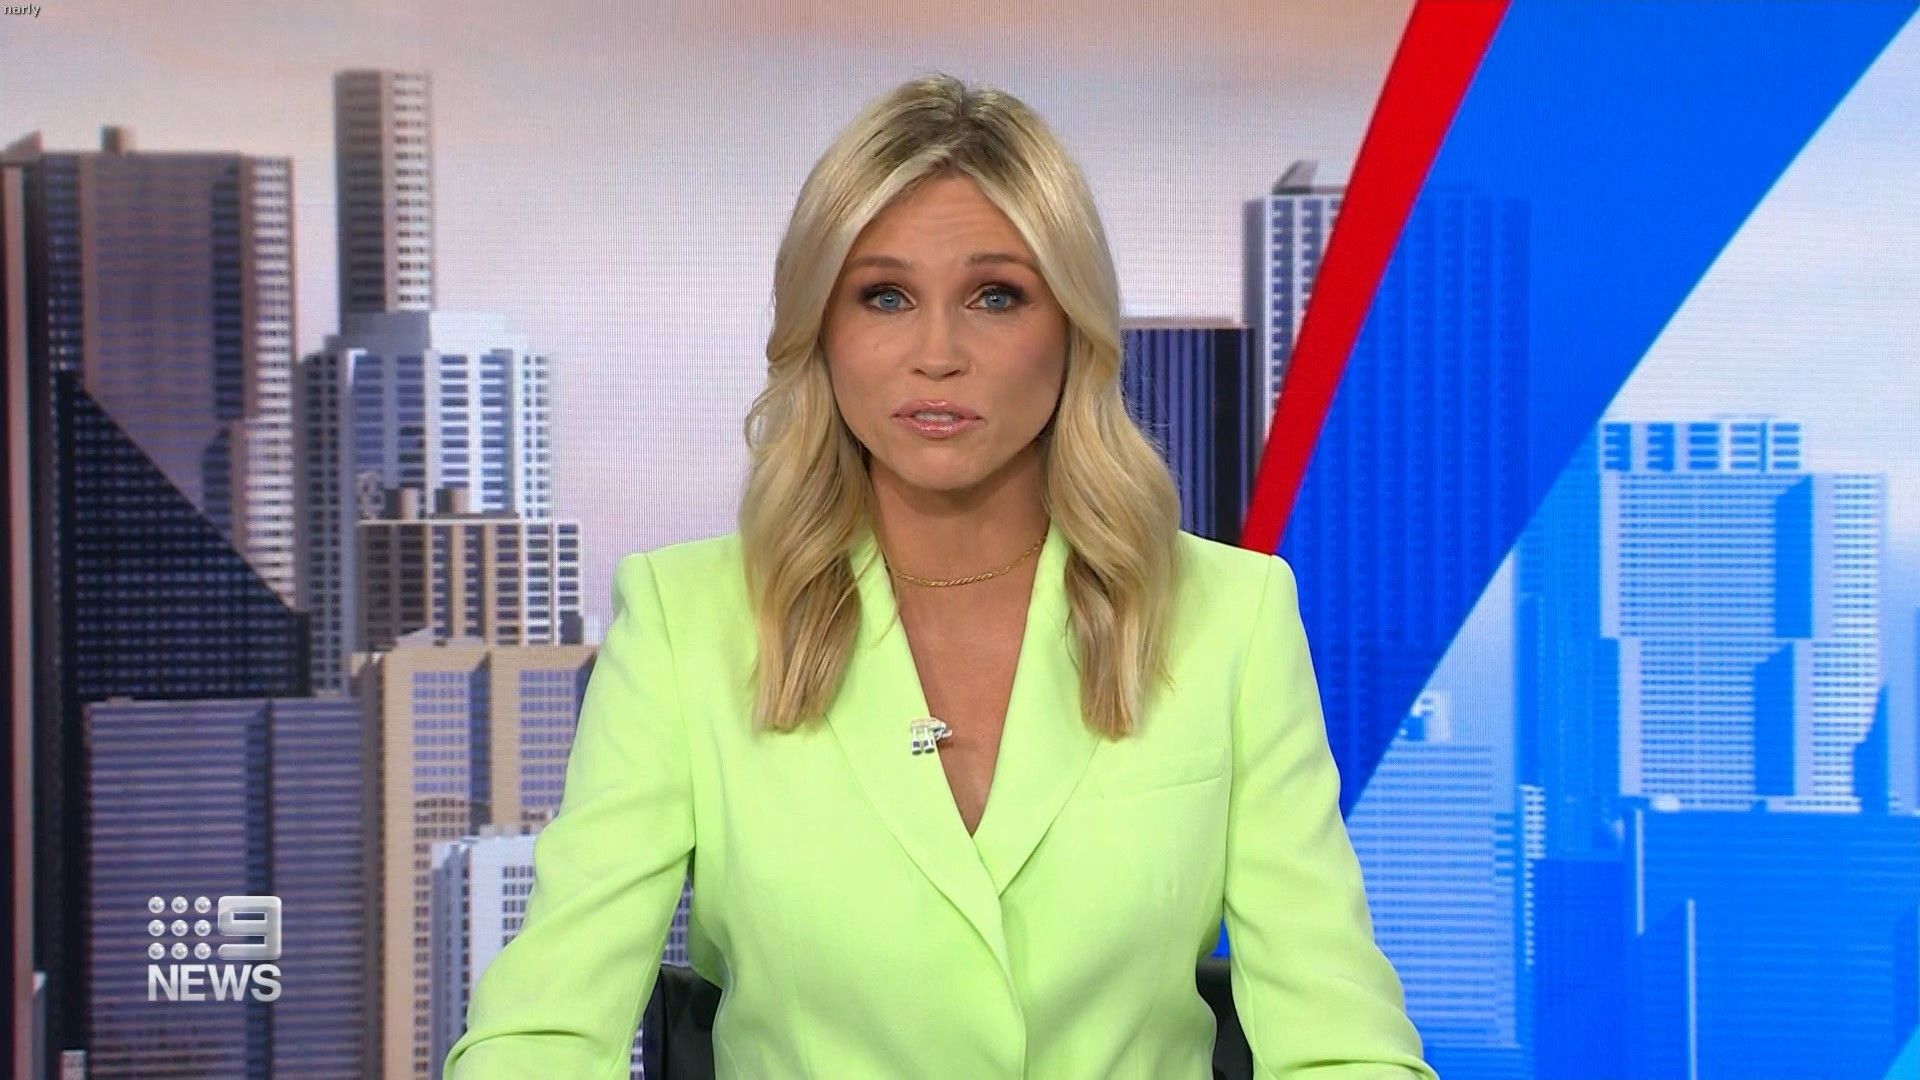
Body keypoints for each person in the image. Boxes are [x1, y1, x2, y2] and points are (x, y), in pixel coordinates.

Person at [443, 72, 1437, 1079]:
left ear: (1073, 327)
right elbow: (540, 1036)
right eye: (885, 297)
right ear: (822, 331)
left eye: (995, 296)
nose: (937, 354)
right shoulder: (686, 622)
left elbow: (1341, 1046)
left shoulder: (1229, 616)